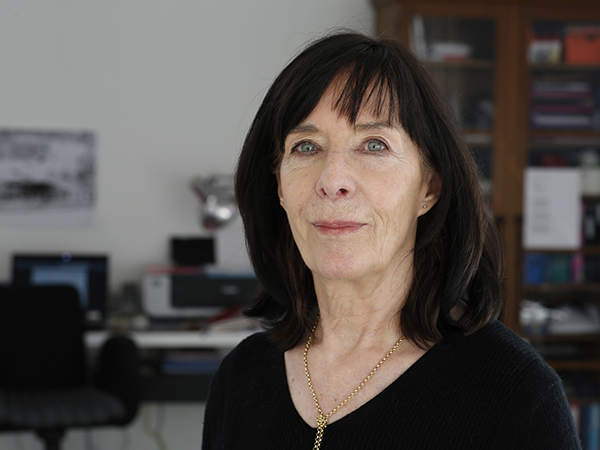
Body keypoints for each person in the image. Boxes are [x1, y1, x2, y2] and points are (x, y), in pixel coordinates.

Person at [202, 32, 580, 450]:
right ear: (278, 187)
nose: (332, 180)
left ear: (429, 187)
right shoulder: (241, 377)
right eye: (306, 146)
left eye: (374, 145)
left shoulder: (516, 395)